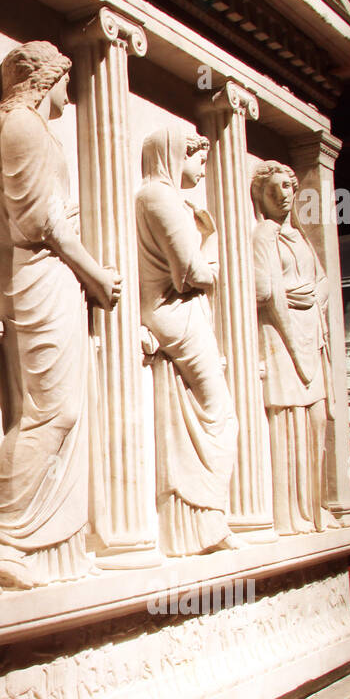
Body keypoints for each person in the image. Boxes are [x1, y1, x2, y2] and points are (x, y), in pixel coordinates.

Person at [0, 41, 121, 588]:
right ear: (46, 78)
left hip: (38, 277)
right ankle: (2, 535)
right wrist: (95, 273)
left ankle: (50, 542)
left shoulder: (15, 126)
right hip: (38, 277)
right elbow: (39, 223)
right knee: (50, 412)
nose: (70, 92)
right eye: (65, 80)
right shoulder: (21, 126)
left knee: (57, 410)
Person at [136, 126, 241, 556]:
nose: (202, 167)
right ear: (176, 153)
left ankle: (201, 521)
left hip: (174, 313)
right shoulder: (159, 197)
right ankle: (208, 520)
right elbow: (192, 274)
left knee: (210, 413)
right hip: (176, 314)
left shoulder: (156, 197)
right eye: (198, 157)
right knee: (223, 415)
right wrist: (211, 244)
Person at [251, 160, 337, 534]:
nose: (283, 196)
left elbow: (323, 280)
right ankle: (290, 515)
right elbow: (265, 291)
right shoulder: (263, 236)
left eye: (287, 187)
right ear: (261, 195)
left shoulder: (300, 237)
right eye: (274, 190)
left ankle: (315, 507)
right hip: (280, 336)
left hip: (309, 332)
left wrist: (313, 295)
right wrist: (295, 300)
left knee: (316, 421)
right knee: (288, 422)